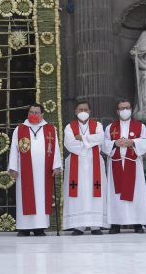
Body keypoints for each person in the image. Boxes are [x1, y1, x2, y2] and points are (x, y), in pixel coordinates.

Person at [8, 104, 62, 236]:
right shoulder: (20, 129)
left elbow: (55, 148)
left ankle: (40, 227)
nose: (34, 114)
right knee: (25, 197)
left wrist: (56, 165)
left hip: (44, 171)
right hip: (24, 171)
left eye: (37, 112)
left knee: (42, 198)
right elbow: (14, 149)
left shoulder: (50, 129)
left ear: (42, 114)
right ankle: (24, 227)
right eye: (31, 112)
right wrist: (13, 167)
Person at [103, 99, 146, 234]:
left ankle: (137, 223)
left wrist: (133, 142)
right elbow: (104, 144)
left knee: (136, 193)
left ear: (131, 109)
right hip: (116, 163)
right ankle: (116, 224)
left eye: (127, 108)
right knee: (116, 194)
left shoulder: (140, 126)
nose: (125, 110)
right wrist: (114, 143)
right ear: (117, 111)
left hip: (133, 164)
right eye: (122, 108)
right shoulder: (110, 127)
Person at [62, 100, 107, 235]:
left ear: (90, 111)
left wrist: (81, 138)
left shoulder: (97, 125)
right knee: (78, 192)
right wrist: (88, 143)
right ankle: (78, 226)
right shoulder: (69, 127)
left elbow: (100, 138)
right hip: (77, 162)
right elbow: (69, 143)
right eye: (80, 110)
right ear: (76, 112)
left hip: (95, 164)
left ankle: (96, 225)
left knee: (96, 192)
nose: (83, 112)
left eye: (85, 110)